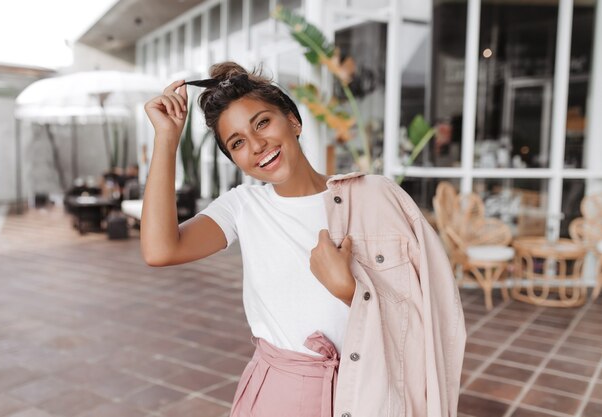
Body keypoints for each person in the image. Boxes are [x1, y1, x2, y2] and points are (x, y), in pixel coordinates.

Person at [141, 62, 466, 417]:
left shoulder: (376, 195)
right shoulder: (242, 207)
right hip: (278, 395)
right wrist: (167, 139)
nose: (257, 145)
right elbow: (160, 249)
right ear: (234, 158)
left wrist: (349, 290)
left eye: (262, 122)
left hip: (374, 392)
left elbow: (434, 312)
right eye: (237, 142)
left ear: (293, 121)